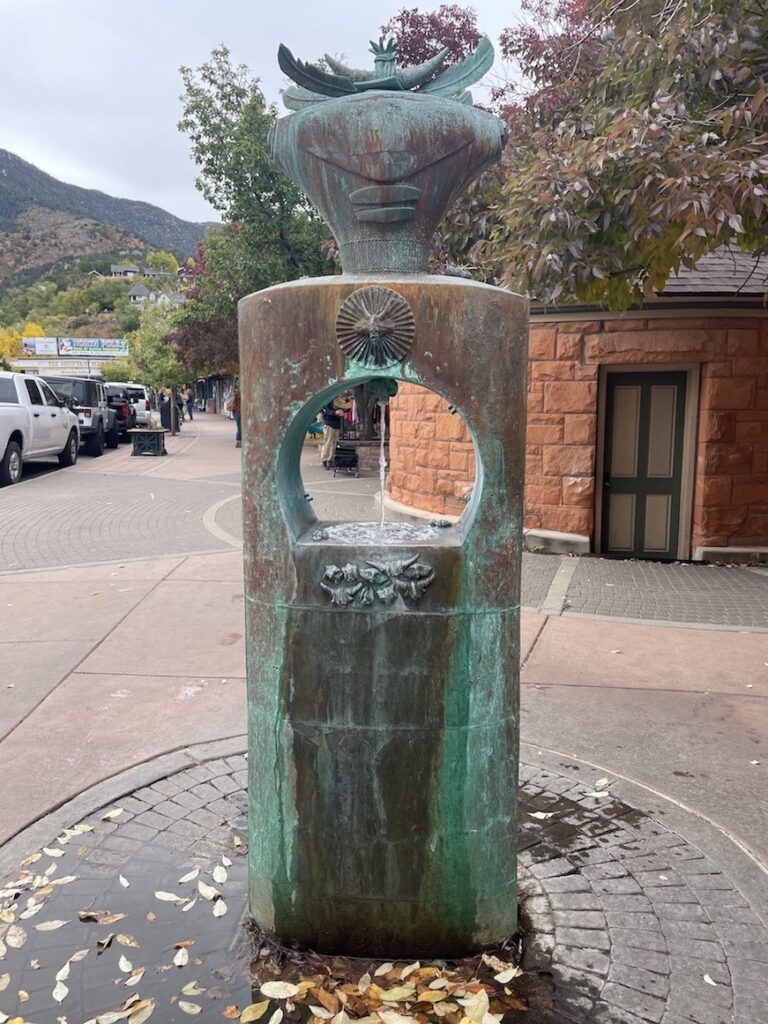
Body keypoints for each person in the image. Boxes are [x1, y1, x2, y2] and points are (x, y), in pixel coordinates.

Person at [319, 394, 351, 468]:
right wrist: (334, 413)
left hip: (336, 424)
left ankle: (330, 459)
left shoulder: (339, 399)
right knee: (328, 442)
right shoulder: (327, 401)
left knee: (334, 443)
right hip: (329, 424)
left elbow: (348, 408)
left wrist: (346, 405)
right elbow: (323, 410)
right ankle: (324, 459)